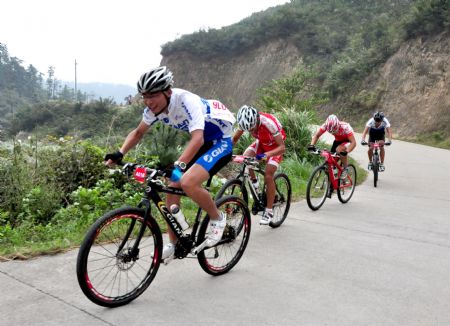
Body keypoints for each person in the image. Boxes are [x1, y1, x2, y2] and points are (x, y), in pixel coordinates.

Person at [104, 66, 236, 261]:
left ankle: (217, 218)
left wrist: (179, 165)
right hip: (202, 142)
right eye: (144, 96)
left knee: (188, 182)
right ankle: (173, 244)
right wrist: (120, 152)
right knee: (171, 189)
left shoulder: (186, 101)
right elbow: (139, 132)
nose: (148, 102)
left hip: (221, 140)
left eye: (153, 95)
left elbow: (197, 138)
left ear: (167, 91)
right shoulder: (153, 110)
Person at [232, 105, 286, 225]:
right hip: (262, 143)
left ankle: (269, 210)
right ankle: (255, 183)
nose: (252, 131)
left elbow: (282, 148)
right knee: (246, 158)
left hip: (275, 147)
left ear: (256, 119)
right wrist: (224, 152)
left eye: (253, 128)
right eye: (249, 130)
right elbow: (234, 139)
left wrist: (266, 155)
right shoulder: (244, 123)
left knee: (268, 175)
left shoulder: (268, 123)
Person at [308, 114, 356, 178]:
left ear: (337, 125)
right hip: (337, 141)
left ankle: (346, 168)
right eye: (331, 131)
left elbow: (354, 143)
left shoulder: (345, 127)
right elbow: (316, 136)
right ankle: (333, 181)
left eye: (334, 130)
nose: (333, 133)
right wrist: (312, 145)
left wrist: (346, 151)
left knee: (339, 149)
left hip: (348, 140)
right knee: (330, 163)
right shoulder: (325, 125)